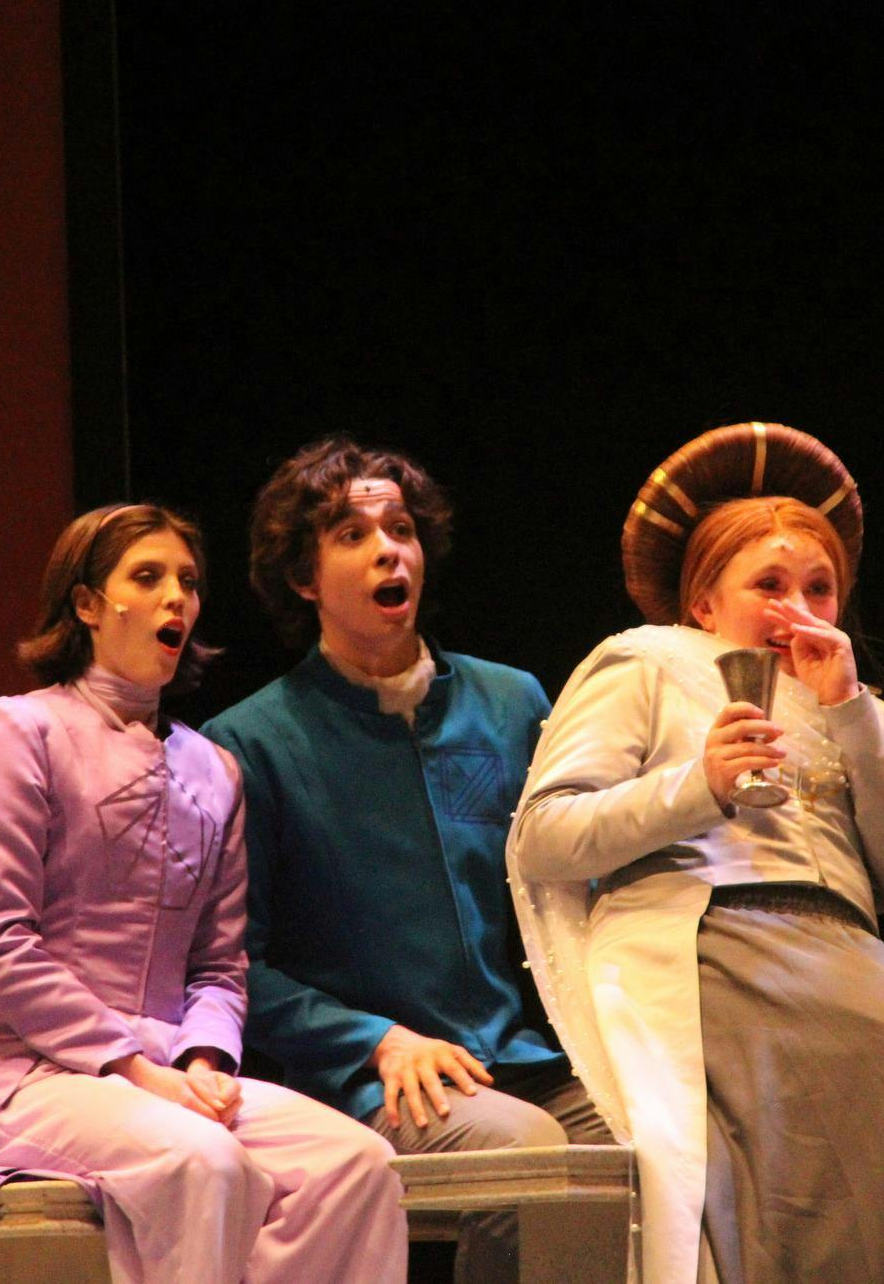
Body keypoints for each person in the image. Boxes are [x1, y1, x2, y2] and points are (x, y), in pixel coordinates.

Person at [510, 424, 884, 1283]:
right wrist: (697, 785)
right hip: (716, 939)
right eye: (769, 584)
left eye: (820, 588)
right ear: (703, 603)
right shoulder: (645, 661)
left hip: (845, 955)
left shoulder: (844, 701)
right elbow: (544, 835)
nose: (798, 608)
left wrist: (853, 716)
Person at [0, 503, 405, 1284]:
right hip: (32, 1070)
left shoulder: (215, 768)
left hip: (173, 1068)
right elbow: (0, 943)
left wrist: (204, 1056)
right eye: (149, 576)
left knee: (356, 1163)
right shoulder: (20, 729)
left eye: (189, 581)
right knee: (202, 1161)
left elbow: (218, 961)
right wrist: (136, 1068)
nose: (178, 597)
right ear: (87, 604)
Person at [202, 437, 606, 1282]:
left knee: (645, 1139)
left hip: (522, 1052)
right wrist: (375, 1040)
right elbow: (235, 964)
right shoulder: (248, 743)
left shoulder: (510, 700)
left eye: (401, 528)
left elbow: (571, 881)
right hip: (373, 1075)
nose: (389, 547)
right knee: (527, 1159)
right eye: (351, 533)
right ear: (304, 578)